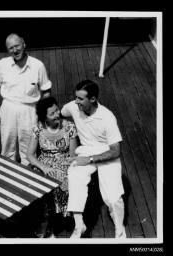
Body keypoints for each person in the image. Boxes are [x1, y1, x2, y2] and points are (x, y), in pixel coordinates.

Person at [61, 80, 126, 238]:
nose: (76, 102)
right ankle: (79, 225)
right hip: (86, 149)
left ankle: (120, 229)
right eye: (75, 97)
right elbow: (60, 113)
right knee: (74, 176)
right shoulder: (74, 106)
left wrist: (89, 159)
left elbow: (116, 151)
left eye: (80, 99)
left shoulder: (107, 117)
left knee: (113, 197)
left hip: (106, 153)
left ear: (93, 99)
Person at [0, 33, 52, 165]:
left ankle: (28, 175)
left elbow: (46, 90)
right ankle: (7, 173)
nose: (15, 50)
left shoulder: (37, 65)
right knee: (7, 143)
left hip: (29, 109)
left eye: (17, 46)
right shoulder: (2, 64)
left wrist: (44, 112)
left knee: (28, 145)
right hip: (8, 108)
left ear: (24, 44)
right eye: (10, 48)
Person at [27, 96, 78, 238]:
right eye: (52, 113)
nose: (57, 115)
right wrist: (43, 167)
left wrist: (61, 168)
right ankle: (44, 221)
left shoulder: (69, 127)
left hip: (64, 162)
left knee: (62, 180)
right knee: (37, 182)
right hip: (44, 163)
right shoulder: (38, 129)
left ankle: (54, 222)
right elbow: (30, 155)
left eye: (57, 110)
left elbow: (72, 155)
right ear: (45, 117)